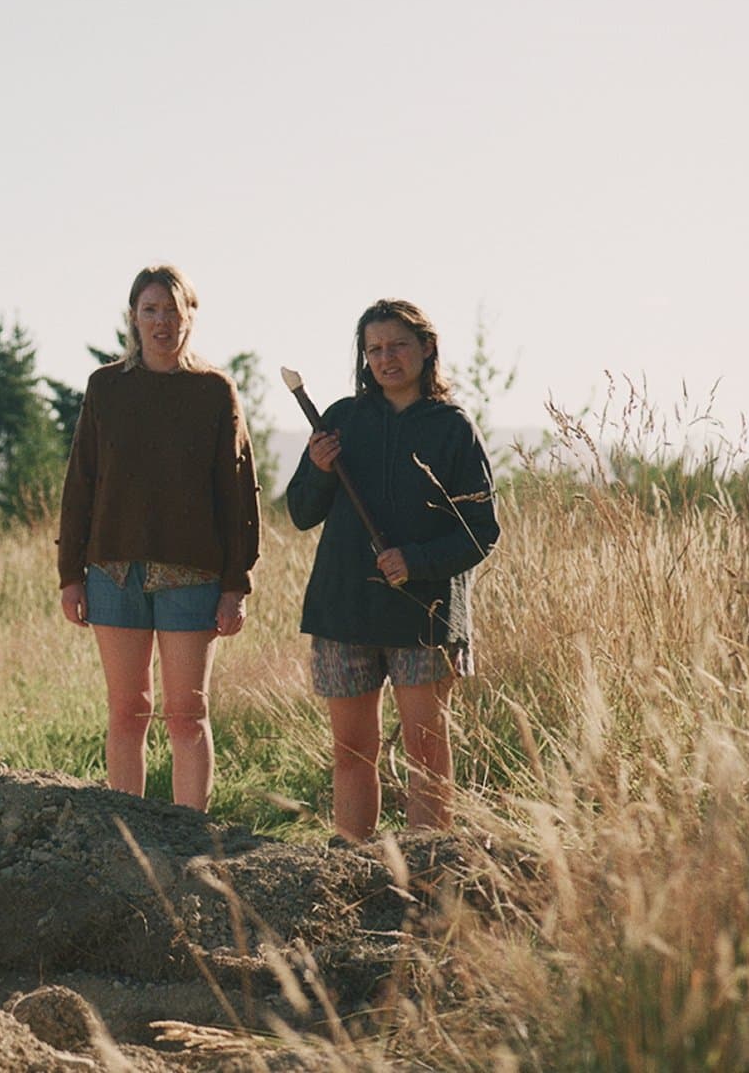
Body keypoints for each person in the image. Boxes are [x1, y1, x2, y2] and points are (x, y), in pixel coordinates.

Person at [286, 298, 500, 843]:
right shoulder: (340, 418)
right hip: (344, 611)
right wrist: (318, 470)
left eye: (398, 345)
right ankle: (353, 872)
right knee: (352, 751)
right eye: (375, 348)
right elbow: (301, 512)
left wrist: (417, 561)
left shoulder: (453, 429)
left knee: (426, 751)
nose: (386, 358)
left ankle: (428, 874)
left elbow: (481, 528)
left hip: (423, 614)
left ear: (427, 348)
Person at [55, 265, 259, 809]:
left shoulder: (214, 392)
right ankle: (130, 838)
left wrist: (236, 583)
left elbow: (239, 492)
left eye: (173, 310)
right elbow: (81, 483)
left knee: (187, 713)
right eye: (151, 310)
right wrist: (70, 575)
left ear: (191, 316)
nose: (162, 322)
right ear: (133, 319)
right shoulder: (106, 387)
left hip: (192, 573)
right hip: (112, 571)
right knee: (127, 710)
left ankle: (188, 835)